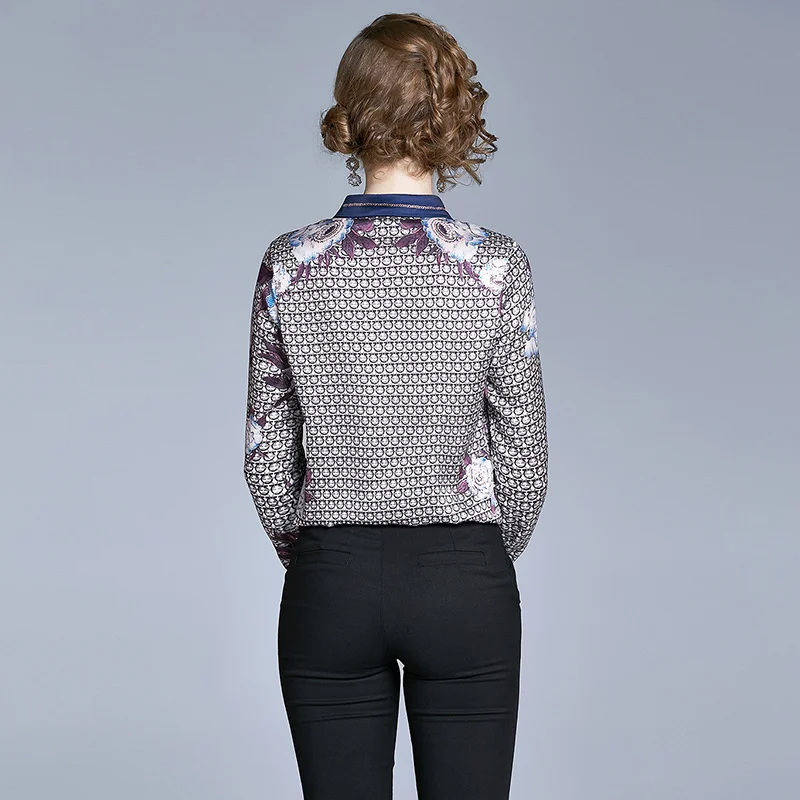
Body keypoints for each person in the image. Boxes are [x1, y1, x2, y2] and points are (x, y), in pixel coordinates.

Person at [243, 12, 548, 800]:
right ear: (453, 113)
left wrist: (322, 557)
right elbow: (524, 457)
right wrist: (477, 559)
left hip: (332, 579)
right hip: (464, 581)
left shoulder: (289, 263)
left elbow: (267, 457)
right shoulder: (496, 265)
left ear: (351, 111)